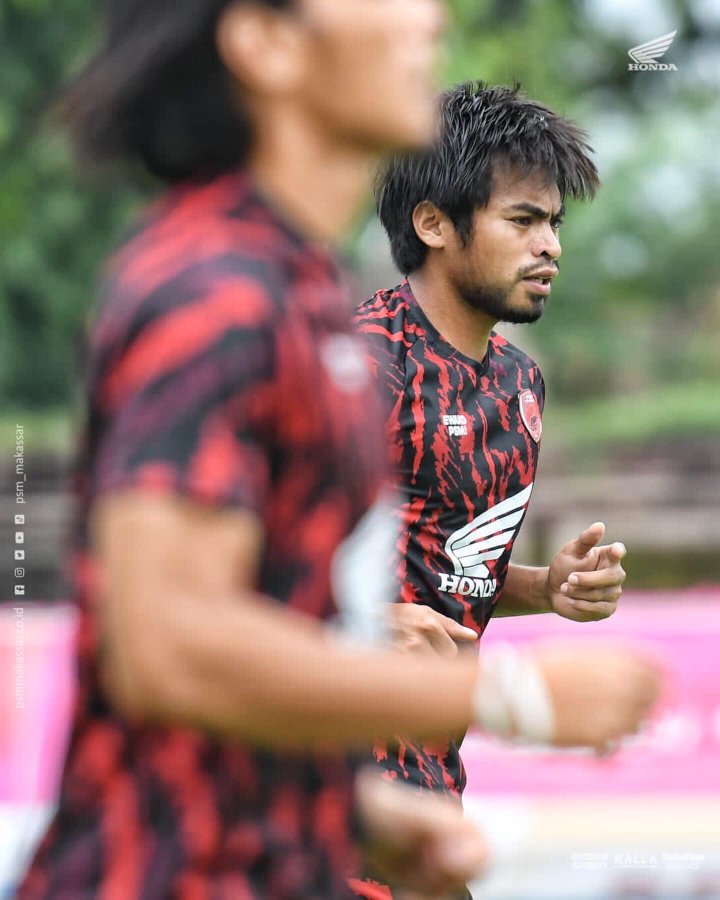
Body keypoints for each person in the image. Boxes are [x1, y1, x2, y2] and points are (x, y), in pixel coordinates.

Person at [18, 7, 661, 900]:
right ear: (266, 43)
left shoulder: (296, 288)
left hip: (312, 829)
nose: (425, 14)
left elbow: (304, 587)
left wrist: (354, 815)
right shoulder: (216, 291)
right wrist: (516, 699)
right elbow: (163, 644)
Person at [351, 82, 633, 898]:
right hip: (326, 773)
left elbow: (438, 570)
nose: (549, 245)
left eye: (554, 223)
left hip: (430, 773)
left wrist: (547, 588)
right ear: (434, 223)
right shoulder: (363, 366)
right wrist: (363, 622)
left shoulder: (519, 386)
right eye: (522, 220)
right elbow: (240, 568)